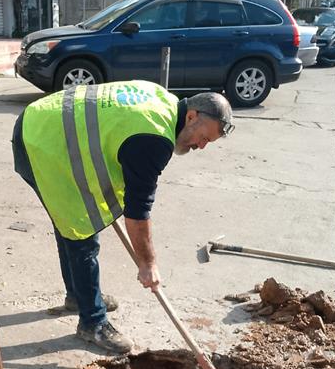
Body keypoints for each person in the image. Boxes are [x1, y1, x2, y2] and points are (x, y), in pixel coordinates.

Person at [13, 81, 233, 354]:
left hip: (44, 122)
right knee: (79, 227)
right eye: (204, 138)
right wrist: (147, 263)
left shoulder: (162, 100)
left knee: (73, 223)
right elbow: (138, 210)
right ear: (192, 116)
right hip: (40, 141)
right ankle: (92, 322)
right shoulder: (154, 138)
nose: (201, 146)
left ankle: (78, 296)